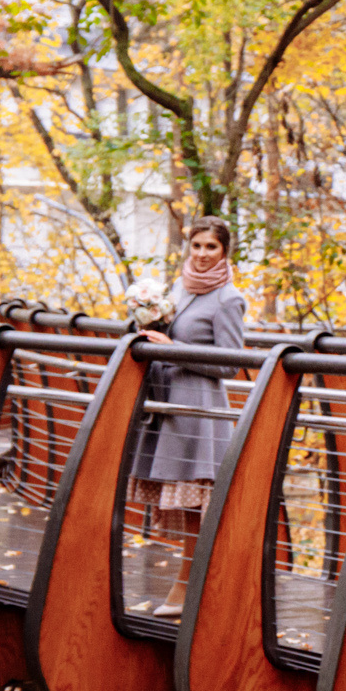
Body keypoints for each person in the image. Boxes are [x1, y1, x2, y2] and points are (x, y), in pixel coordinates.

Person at [128, 217, 247, 616]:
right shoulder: (179, 286)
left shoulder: (228, 298)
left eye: (211, 247)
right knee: (179, 505)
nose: (202, 254)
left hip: (199, 413)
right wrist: (146, 324)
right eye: (196, 245)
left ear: (224, 251)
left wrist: (172, 347)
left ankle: (185, 591)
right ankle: (198, 587)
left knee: (195, 506)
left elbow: (230, 364)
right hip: (168, 407)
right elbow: (168, 333)